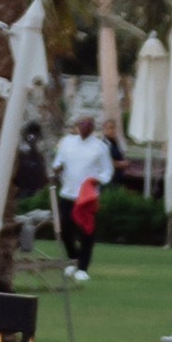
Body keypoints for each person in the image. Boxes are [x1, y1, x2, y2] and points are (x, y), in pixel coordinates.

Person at [52, 105, 114, 277]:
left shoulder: (100, 147)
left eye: (87, 124)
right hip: (68, 193)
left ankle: (83, 268)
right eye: (80, 124)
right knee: (65, 230)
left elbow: (107, 171)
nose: (83, 127)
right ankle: (73, 259)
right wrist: (56, 169)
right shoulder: (67, 142)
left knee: (86, 231)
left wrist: (96, 181)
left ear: (92, 127)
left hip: (86, 197)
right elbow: (57, 163)